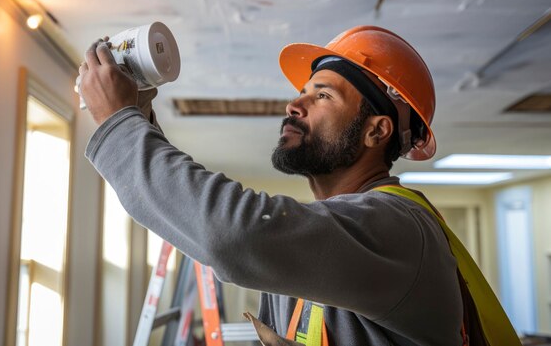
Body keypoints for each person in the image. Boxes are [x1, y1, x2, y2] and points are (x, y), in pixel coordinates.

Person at [78, 26, 465, 345]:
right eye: (303, 92)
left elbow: (234, 235)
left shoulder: (398, 227)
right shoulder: (327, 235)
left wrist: (121, 125)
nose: (294, 106)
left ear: (375, 130)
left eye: (322, 95)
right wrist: (139, 117)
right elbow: (204, 222)